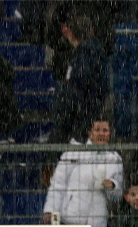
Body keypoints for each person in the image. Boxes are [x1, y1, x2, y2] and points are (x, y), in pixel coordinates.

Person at [41, 119, 124, 227]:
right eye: (97, 130)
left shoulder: (115, 159)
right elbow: (58, 184)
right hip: (69, 223)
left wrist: (112, 186)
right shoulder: (74, 152)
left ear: (110, 134)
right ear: (90, 133)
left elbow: (118, 195)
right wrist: (49, 210)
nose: (101, 133)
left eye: (105, 130)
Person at [50, 15, 107, 144]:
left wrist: (67, 118)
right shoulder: (87, 54)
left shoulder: (85, 58)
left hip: (81, 122)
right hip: (82, 118)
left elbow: (76, 93)